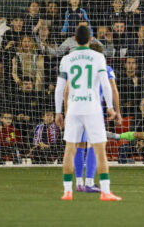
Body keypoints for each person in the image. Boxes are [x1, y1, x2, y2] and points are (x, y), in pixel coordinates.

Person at [54, 25, 120, 201]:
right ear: (91, 39)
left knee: (70, 148)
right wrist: (111, 107)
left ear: (74, 39)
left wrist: (58, 112)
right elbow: (106, 84)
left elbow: (60, 88)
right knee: (99, 148)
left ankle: (68, 190)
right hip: (92, 107)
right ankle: (105, 191)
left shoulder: (67, 59)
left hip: (74, 107)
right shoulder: (98, 57)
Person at [71, 41, 121, 193]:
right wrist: (115, 110)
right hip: (93, 110)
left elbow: (67, 90)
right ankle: (89, 182)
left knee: (79, 145)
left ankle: (79, 182)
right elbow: (112, 88)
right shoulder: (104, 68)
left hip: (76, 108)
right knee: (94, 144)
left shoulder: (76, 68)